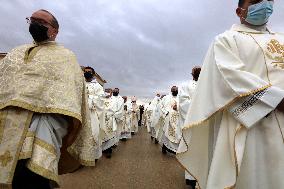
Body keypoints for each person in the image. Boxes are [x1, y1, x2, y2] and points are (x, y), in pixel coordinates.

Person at [177, 1, 284, 188]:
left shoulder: (282, 39)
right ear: (239, 11)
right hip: (250, 126)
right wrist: (277, 99)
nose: (264, 4)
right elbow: (228, 77)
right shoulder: (226, 40)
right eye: (255, 1)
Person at [0, 10, 96, 189]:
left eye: (41, 22)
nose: (34, 23)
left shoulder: (65, 57)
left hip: (44, 121)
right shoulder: (15, 53)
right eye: (32, 20)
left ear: (54, 30)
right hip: (8, 121)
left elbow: (71, 95)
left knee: (34, 174)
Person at [178, 67, 201, 189]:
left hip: (206, 123)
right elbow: (183, 103)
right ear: (192, 74)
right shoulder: (186, 86)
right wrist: (198, 107)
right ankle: (191, 179)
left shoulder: (208, 83)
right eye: (196, 72)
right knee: (192, 149)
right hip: (192, 122)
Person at [84, 66, 105, 161]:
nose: (87, 73)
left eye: (89, 72)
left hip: (92, 113)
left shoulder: (98, 86)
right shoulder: (80, 84)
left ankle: (93, 156)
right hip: (81, 113)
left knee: (94, 134)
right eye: (85, 71)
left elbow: (100, 99)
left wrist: (88, 99)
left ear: (93, 74)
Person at [101, 88, 124, 158]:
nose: (107, 93)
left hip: (110, 120)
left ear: (111, 93)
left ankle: (108, 150)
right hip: (101, 120)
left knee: (110, 135)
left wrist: (113, 116)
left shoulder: (114, 101)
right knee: (102, 135)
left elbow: (118, 110)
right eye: (106, 91)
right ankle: (103, 149)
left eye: (109, 92)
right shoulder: (101, 99)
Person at [161, 86, 181, 154]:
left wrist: (177, 107)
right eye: (174, 90)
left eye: (176, 90)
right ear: (171, 91)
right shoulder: (166, 98)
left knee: (176, 133)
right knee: (166, 132)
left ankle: (174, 149)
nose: (175, 91)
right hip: (168, 118)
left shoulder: (180, 98)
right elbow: (161, 106)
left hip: (177, 119)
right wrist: (166, 112)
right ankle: (164, 147)